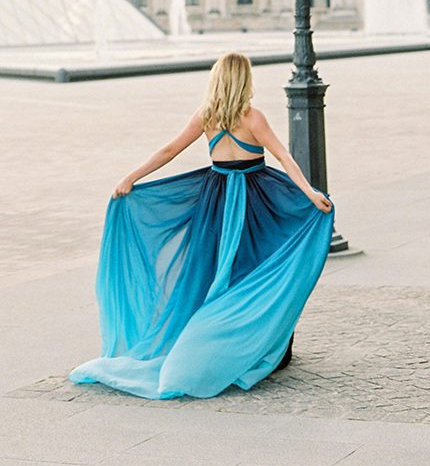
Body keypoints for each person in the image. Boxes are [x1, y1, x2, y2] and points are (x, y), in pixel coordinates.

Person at [69, 52, 334, 400]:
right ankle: (258, 345)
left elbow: (169, 150)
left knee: (211, 274)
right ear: (245, 80)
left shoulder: (206, 116)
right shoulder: (252, 117)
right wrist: (310, 193)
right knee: (257, 270)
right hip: (254, 201)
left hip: (215, 202)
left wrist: (131, 177)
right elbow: (284, 156)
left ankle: (219, 343)